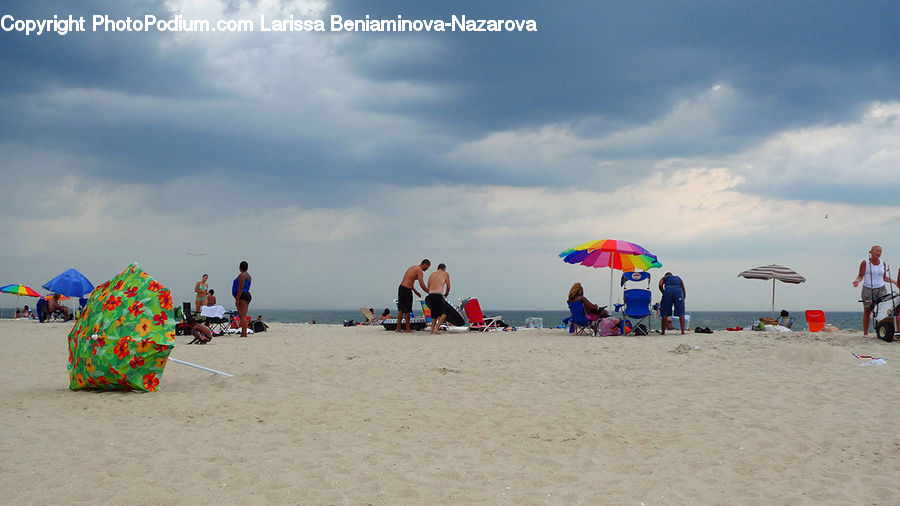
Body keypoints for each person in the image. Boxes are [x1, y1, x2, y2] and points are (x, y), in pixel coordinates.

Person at [853, 245, 892, 337]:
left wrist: (894, 282)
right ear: (871, 252)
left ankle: (882, 331)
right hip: (868, 288)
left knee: (883, 310)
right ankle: (865, 333)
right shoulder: (865, 262)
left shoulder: (883, 263)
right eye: (877, 251)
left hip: (881, 288)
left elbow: (884, 277)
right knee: (867, 311)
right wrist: (857, 281)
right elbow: (860, 275)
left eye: (880, 252)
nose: (879, 253)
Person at [396, 259, 430, 333]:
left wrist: (415, 292)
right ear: (425, 265)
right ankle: (408, 329)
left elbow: (410, 282)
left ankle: (398, 328)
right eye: (428, 267)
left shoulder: (413, 268)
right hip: (406, 290)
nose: (427, 269)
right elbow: (421, 283)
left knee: (401, 309)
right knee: (407, 310)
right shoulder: (419, 270)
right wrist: (428, 291)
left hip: (402, 288)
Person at [425, 263, 451, 334]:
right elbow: (448, 287)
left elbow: (428, 286)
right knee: (445, 312)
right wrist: (446, 293)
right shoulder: (445, 274)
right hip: (438, 294)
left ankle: (432, 330)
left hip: (430, 294)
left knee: (434, 314)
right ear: (444, 268)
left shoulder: (432, 274)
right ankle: (437, 328)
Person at [232, 261, 252, 337]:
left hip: (242, 295)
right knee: (243, 315)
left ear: (240, 267)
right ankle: (244, 333)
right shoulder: (248, 276)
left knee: (242, 316)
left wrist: (237, 299)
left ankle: (244, 334)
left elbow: (241, 288)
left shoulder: (242, 275)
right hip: (246, 294)